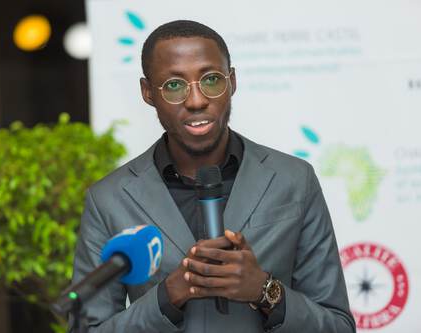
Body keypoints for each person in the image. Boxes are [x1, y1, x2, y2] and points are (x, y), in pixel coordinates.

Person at [71, 20, 356, 332]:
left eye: (211, 79)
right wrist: (168, 297)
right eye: (175, 86)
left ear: (232, 81)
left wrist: (264, 290)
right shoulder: (109, 200)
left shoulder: (294, 180)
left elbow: (338, 326)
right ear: (148, 92)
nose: (196, 101)